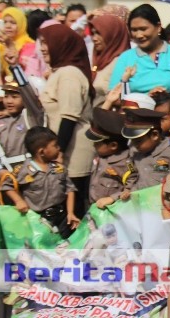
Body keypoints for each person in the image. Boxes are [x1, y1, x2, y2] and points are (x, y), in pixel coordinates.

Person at [38, 23, 94, 219]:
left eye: (47, 43)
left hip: (72, 153)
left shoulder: (69, 75)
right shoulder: (60, 72)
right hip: (63, 150)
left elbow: (69, 117)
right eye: (41, 42)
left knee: (75, 210)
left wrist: (58, 151)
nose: (42, 48)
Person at [1, 127, 80, 239]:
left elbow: (70, 189)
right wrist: (19, 201)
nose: (59, 148)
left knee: (65, 246)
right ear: (42, 151)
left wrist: (71, 213)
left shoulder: (59, 169)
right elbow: (6, 185)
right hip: (37, 219)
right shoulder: (23, 170)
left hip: (62, 217)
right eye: (55, 145)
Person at [108, 4, 170, 94]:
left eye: (143, 29)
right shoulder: (125, 58)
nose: (139, 35)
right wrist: (146, 98)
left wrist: (169, 98)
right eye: (134, 30)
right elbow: (114, 95)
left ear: (158, 27)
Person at [85, 108, 135, 208]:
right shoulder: (101, 155)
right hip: (93, 208)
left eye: (97, 143)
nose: (94, 145)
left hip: (111, 211)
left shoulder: (125, 163)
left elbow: (132, 187)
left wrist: (113, 198)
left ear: (113, 145)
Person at [121, 107, 170, 191]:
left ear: (155, 135)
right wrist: (128, 189)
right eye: (132, 140)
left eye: (138, 141)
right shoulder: (133, 152)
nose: (133, 144)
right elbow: (132, 174)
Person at [90, 15, 130, 108]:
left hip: (109, 119)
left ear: (113, 35)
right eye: (93, 33)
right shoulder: (98, 61)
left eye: (99, 33)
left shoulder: (121, 63)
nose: (94, 38)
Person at [0, 7, 35, 80]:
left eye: (13, 23)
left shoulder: (30, 46)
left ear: (21, 24)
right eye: (5, 22)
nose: (8, 26)